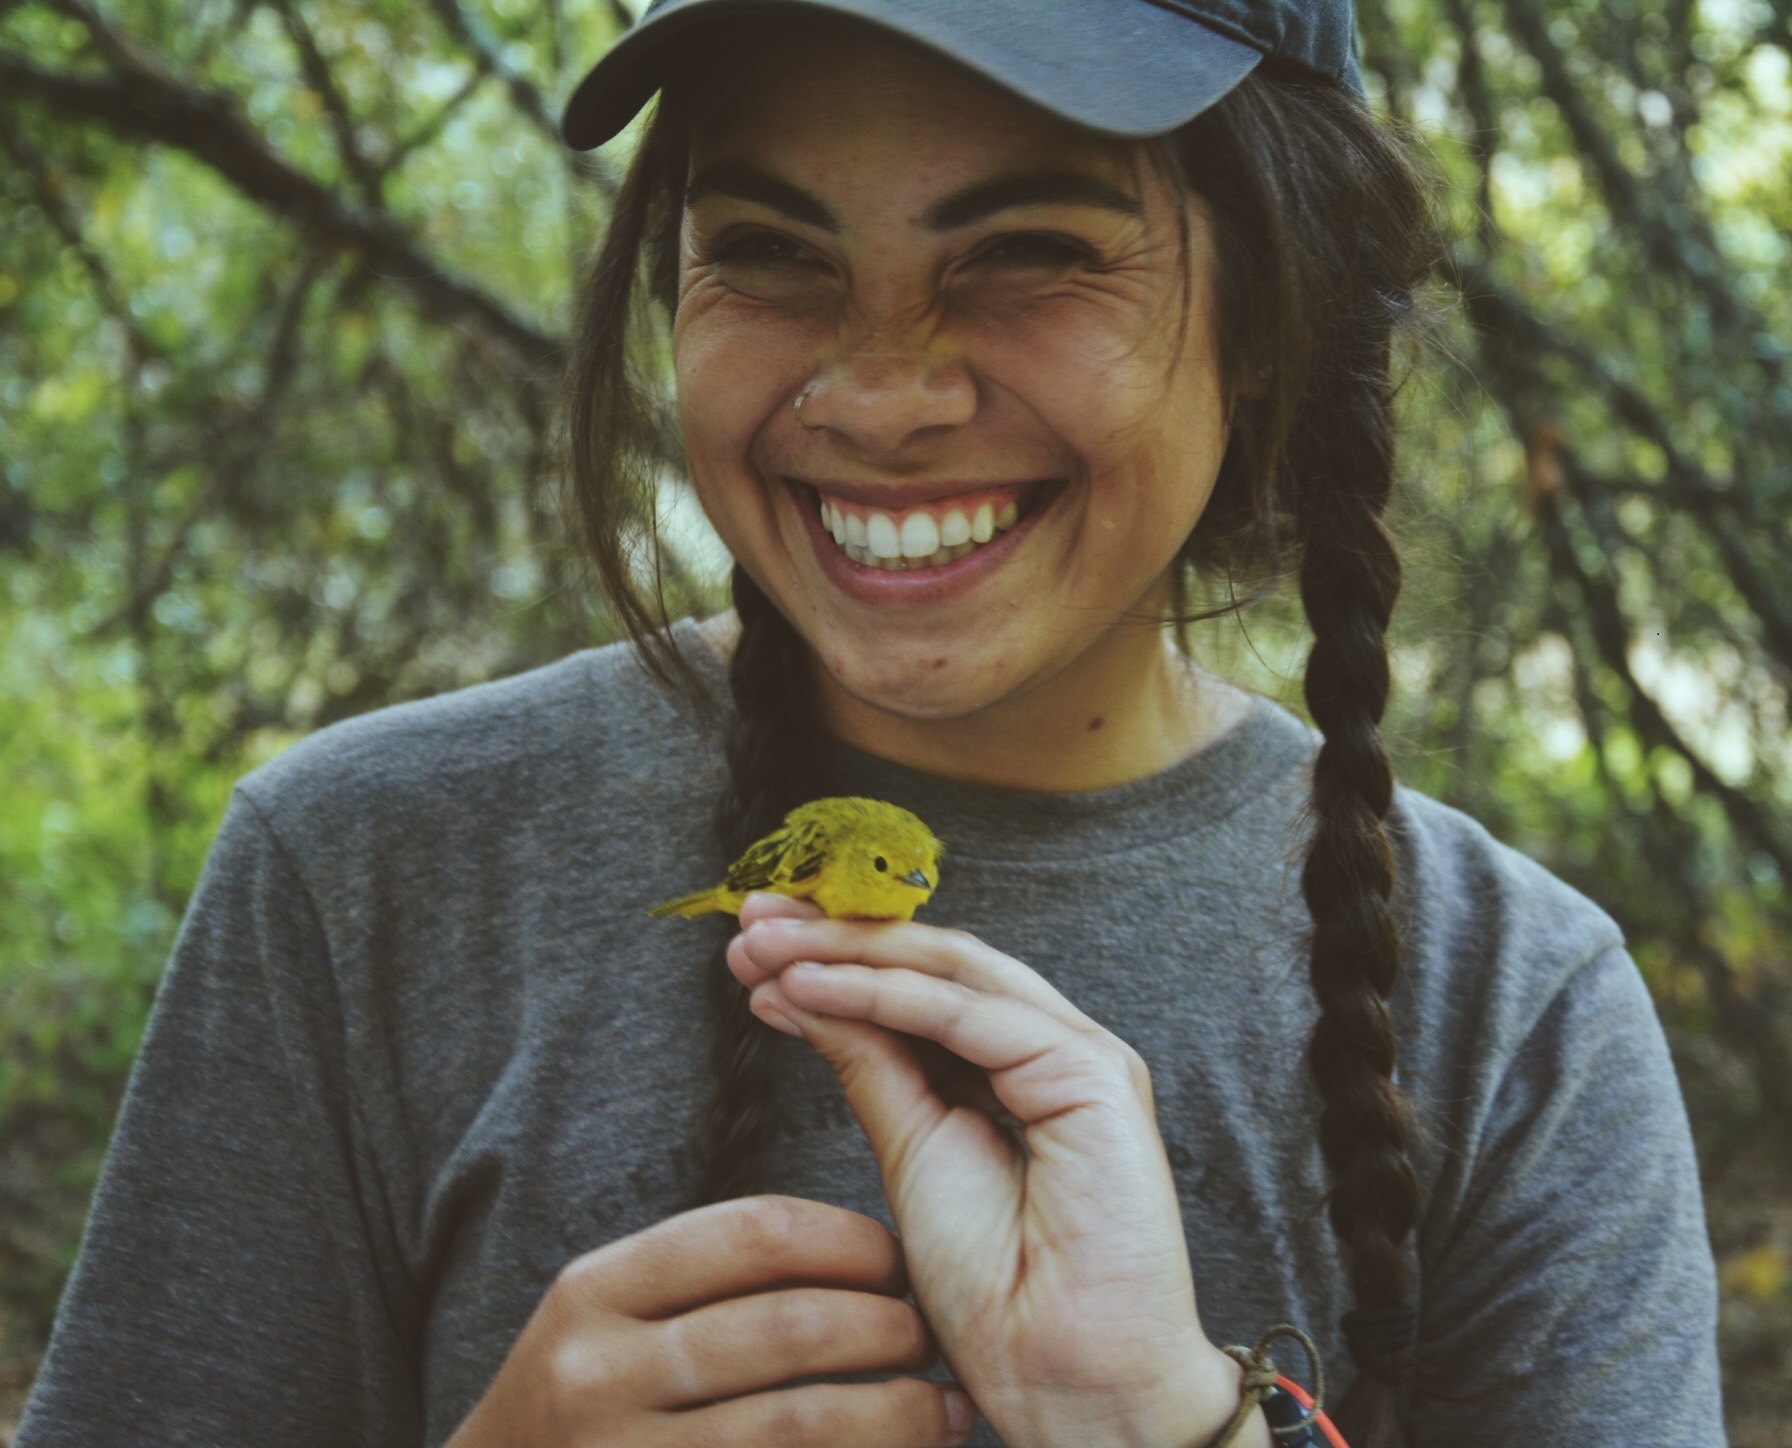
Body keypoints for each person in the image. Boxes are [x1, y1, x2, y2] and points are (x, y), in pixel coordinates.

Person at [17, 2, 1724, 1446]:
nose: (885, 392)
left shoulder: (1511, 1009)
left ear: (1275, 312)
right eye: (771, 253)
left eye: (1033, 255)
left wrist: (1185, 1431)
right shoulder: (361, 872)